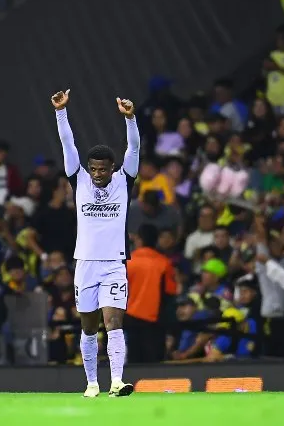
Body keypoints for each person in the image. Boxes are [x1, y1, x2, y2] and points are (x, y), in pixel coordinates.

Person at [51, 89, 139, 398]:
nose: (98, 173)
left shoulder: (125, 179)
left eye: (103, 168)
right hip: (85, 263)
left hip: (115, 263)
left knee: (114, 322)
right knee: (89, 328)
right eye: (94, 169)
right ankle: (91, 383)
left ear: (113, 168)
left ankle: (117, 381)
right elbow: (67, 143)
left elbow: (134, 146)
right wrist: (61, 112)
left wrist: (130, 119)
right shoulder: (78, 178)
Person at [125, 223, 177, 363]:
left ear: (139, 239)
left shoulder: (128, 261)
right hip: (155, 321)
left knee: (134, 362)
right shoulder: (164, 263)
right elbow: (170, 295)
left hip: (130, 318)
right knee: (154, 365)